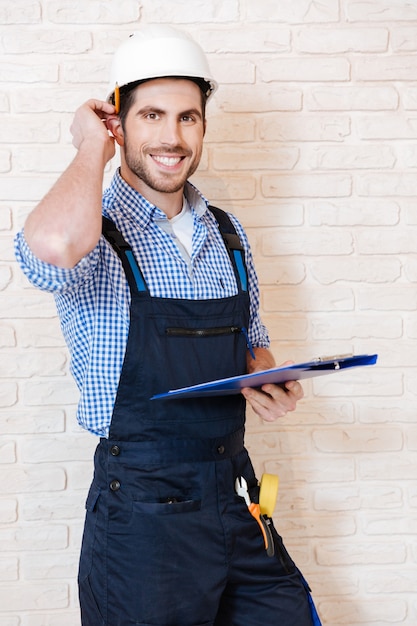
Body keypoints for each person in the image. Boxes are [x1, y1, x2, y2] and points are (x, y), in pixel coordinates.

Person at [15, 25, 321, 626]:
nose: (172, 137)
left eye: (188, 117)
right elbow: (49, 248)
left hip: (236, 494)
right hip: (143, 518)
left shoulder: (227, 234)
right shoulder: (91, 233)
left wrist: (269, 380)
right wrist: (88, 148)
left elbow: (253, 344)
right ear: (117, 124)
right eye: (151, 114)